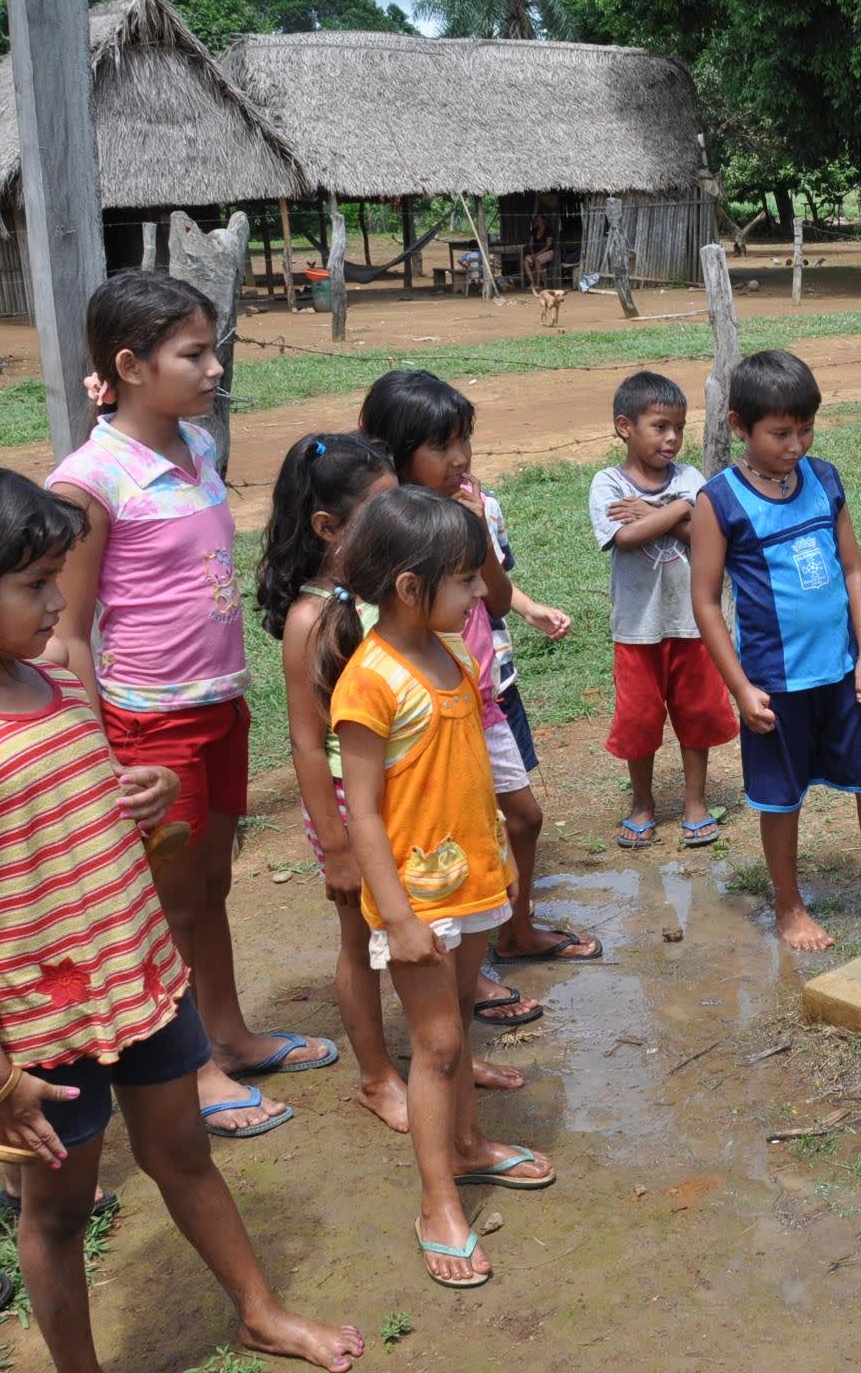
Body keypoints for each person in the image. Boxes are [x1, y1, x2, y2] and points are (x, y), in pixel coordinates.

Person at [0, 462, 364, 1372]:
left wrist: (135, 795)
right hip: (37, 1023)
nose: (60, 603)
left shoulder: (62, 685)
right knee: (58, 1211)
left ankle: (261, 1311)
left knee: (183, 1152)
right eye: (32, 585)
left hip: (138, 976)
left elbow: (80, 806)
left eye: (58, 579)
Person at [46, 272, 333, 1137]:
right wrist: (102, 752)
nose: (215, 368)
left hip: (218, 706)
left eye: (213, 350)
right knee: (166, 903)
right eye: (194, 353)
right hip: (147, 725)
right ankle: (193, 1068)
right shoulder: (89, 481)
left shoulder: (197, 447)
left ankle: (231, 1034)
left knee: (212, 885)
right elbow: (69, 629)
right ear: (130, 366)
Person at [317, 486, 556, 1289]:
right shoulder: (370, 681)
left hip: (472, 882)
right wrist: (397, 914)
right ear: (412, 589)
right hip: (416, 899)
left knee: (458, 1030)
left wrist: (498, 858)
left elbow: (471, 775)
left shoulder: (453, 654)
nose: (477, 595)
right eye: (463, 582)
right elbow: (367, 817)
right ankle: (436, 1202)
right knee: (441, 1043)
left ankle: (468, 1145)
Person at [690, 349, 861, 951]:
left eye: (805, 429)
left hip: (844, 672)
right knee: (781, 797)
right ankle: (790, 905)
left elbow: (852, 568)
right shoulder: (717, 502)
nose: (795, 444)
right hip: (776, 683)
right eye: (779, 433)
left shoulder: (824, 478)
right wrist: (741, 687)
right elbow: (705, 602)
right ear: (738, 427)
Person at [358, 371, 591, 977]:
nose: (460, 458)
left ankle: (514, 930)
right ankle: (469, 970)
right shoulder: (388, 529)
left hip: (489, 691)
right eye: (441, 446)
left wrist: (477, 531)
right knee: (449, 835)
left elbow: (493, 595)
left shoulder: (479, 504)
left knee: (523, 816)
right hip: (424, 712)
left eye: (465, 440)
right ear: (394, 449)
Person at [257, 432, 427, 1131]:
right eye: (379, 513)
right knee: (360, 940)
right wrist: (335, 843)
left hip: (406, 791)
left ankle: (433, 1052)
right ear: (329, 529)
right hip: (346, 808)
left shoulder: (380, 594)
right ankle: (376, 1075)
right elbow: (304, 738)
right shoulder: (312, 618)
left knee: (422, 923)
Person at [591, 372, 738, 849]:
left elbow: (705, 534)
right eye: (659, 426)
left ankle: (696, 802)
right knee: (639, 719)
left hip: (693, 623)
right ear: (624, 427)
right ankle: (643, 804)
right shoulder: (607, 482)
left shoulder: (693, 479)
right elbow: (625, 536)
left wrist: (663, 514)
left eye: (679, 427)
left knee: (696, 711)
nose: (672, 438)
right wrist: (678, 511)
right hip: (637, 627)